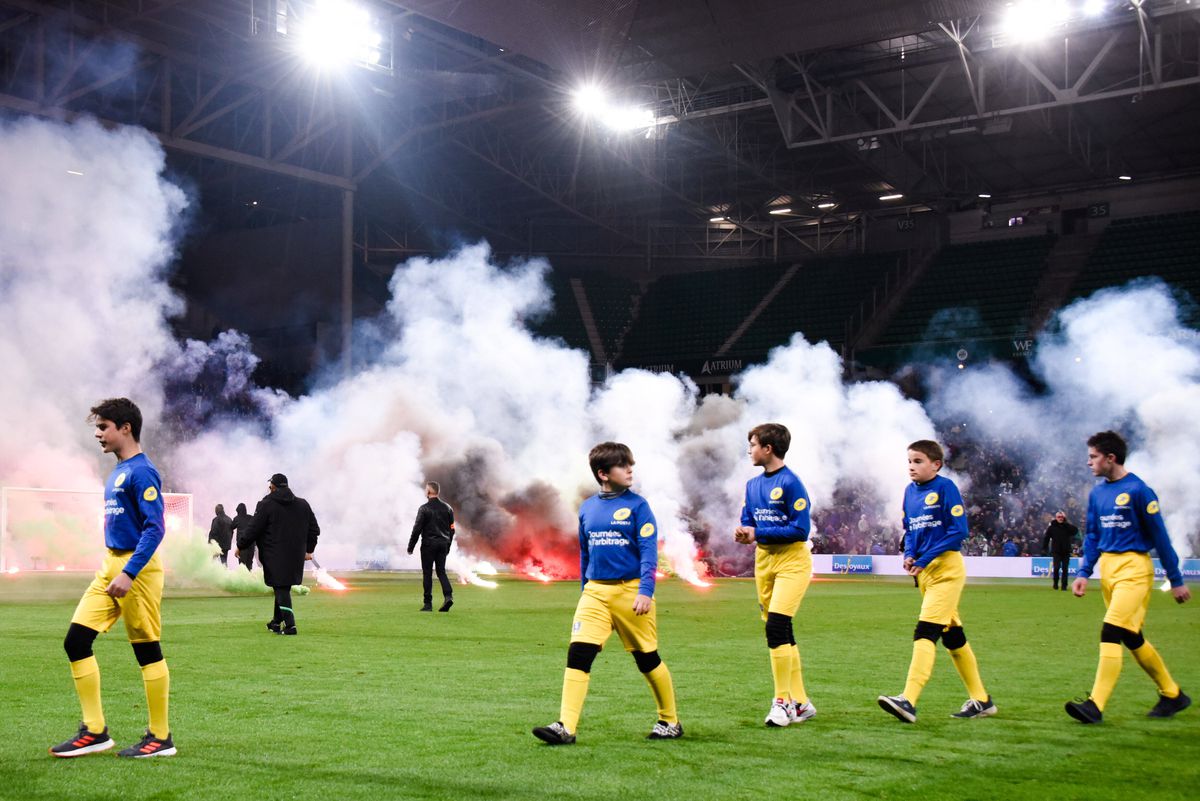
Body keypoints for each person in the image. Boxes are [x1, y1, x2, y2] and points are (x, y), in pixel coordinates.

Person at [532, 442, 681, 745]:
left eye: (630, 464)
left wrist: (645, 590)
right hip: (595, 593)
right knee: (578, 653)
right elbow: (585, 553)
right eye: (623, 465)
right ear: (603, 473)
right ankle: (566, 727)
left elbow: (649, 552)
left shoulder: (639, 506)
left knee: (647, 659)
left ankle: (670, 721)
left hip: (631, 591)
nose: (630, 470)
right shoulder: (588, 508)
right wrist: (584, 591)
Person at [51, 398, 175, 758]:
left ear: (126, 428)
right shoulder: (119, 470)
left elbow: (155, 528)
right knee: (76, 641)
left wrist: (129, 572)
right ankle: (95, 730)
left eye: (103, 426)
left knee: (146, 649)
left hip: (137, 570)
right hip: (110, 565)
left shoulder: (143, 472)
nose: (98, 433)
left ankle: (160, 737)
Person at [1064, 431, 1191, 724]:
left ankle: (1095, 705)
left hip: (1134, 569)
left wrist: (1175, 579)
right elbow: (1093, 536)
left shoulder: (1139, 491)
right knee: (1131, 636)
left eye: (1093, 457)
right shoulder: (1097, 493)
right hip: (1108, 570)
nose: (1089, 462)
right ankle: (1172, 694)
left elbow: (1160, 537)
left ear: (1111, 458)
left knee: (1110, 630)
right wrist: (1084, 572)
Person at [878, 439, 996, 723]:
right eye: (909, 461)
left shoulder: (945, 488)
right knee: (953, 637)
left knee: (925, 631)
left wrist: (924, 558)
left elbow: (958, 532)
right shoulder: (909, 492)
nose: (911, 466)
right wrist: (909, 554)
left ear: (936, 465)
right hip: (926, 573)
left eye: (918, 461)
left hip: (946, 570)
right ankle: (981, 700)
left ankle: (908, 700)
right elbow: (909, 531)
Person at [734, 423, 817, 727]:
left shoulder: (791, 483)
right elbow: (748, 519)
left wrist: (758, 533)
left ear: (768, 449)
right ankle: (802, 703)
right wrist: (745, 532)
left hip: (792, 560)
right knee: (781, 630)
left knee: (777, 627)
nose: (749, 450)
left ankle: (781, 701)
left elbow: (800, 530)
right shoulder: (752, 485)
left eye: (753, 445)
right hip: (764, 560)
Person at [236, 473, 319, 635]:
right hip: (295, 555)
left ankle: (290, 626)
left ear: (272, 487)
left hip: (273, 553)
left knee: (281, 587)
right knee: (282, 586)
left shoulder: (265, 505)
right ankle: (275, 622)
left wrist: (241, 545)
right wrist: (309, 549)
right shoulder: (303, 504)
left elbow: (253, 529)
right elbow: (314, 529)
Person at [407, 481, 455, 612]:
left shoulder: (424, 509)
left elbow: (417, 529)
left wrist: (411, 546)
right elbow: (452, 529)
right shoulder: (448, 508)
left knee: (427, 573)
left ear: (428, 492)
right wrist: (448, 545)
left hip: (428, 545)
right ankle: (448, 596)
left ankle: (428, 604)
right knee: (441, 572)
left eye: (425, 489)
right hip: (443, 544)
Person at [1042, 511, 1078, 591]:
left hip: (1066, 551)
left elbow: (1075, 531)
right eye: (1059, 517)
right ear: (1056, 518)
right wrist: (1044, 548)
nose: (1060, 518)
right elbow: (1046, 538)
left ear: (1064, 518)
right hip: (1056, 551)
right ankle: (1055, 583)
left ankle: (1064, 586)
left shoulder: (1067, 526)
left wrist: (1066, 522)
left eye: (1062, 517)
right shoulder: (1052, 527)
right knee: (1056, 568)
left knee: (1065, 569)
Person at [230, 502, 254, 569]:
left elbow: (231, 527)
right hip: (251, 543)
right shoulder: (251, 517)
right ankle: (250, 575)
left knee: (242, 564)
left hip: (242, 544)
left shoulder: (237, 518)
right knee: (249, 563)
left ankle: (243, 575)